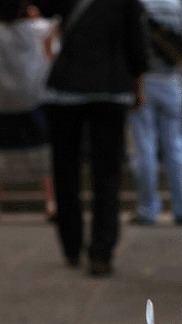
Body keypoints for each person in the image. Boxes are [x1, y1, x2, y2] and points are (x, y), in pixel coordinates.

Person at [34, 0, 148, 276]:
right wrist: (138, 86)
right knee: (107, 174)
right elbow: (137, 45)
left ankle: (71, 243)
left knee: (65, 169)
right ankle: (101, 251)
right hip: (110, 87)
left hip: (65, 88)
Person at [128, 0, 182, 226]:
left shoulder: (138, 5)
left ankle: (148, 210)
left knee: (144, 147)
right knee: (176, 146)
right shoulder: (176, 5)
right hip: (171, 80)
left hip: (143, 80)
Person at [0, 0, 57, 222]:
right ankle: (51, 201)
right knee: (43, 151)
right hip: (33, 97)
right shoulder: (37, 29)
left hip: (3, 100)